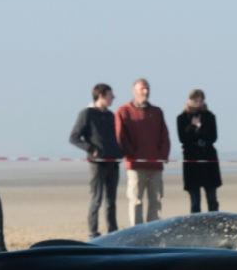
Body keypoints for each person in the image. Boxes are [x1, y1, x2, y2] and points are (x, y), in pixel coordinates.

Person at [69, 83, 124, 238]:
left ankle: (113, 232)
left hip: (113, 162)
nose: (113, 98)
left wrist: (120, 152)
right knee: (97, 199)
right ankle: (93, 233)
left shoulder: (110, 115)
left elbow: (113, 138)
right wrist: (90, 148)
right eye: (110, 95)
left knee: (111, 201)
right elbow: (73, 137)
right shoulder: (87, 113)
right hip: (97, 163)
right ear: (101, 95)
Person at [115, 78, 171, 225]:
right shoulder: (123, 111)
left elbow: (164, 135)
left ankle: (153, 231)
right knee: (135, 200)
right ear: (135, 91)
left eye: (147, 88)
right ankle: (136, 232)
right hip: (135, 166)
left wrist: (162, 156)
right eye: (142, 89)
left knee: (156, 200)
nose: (146, 91)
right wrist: (131, 154)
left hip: (155, 166)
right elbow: (120, 137)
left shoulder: (157, 112)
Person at [176, 89, 222, 213]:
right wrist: (192, 126)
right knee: (195, 201)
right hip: (192, 162)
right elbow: (183, 138)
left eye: (201, 100)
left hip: (208, 160)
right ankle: (196, 227)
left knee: (212, 199)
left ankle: (214, 224)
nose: (198, 103)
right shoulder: (182, 118)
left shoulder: (209, 116)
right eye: (196, 100)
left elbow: (213, 137)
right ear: (189, 101)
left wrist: (200, 130)